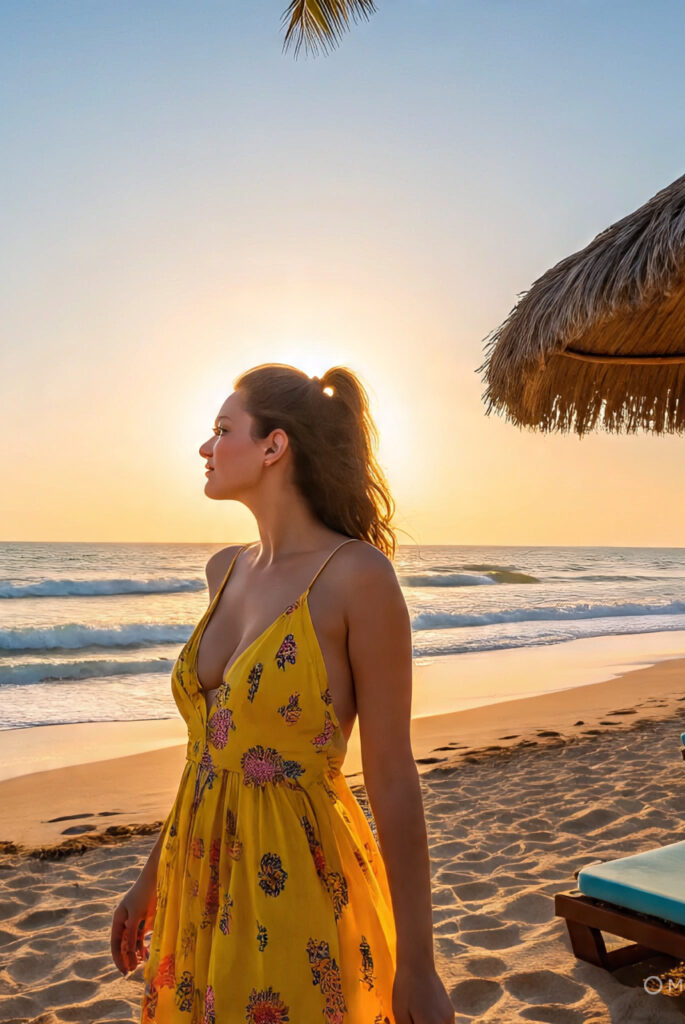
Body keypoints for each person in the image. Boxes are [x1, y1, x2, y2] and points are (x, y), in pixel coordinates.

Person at [111, 363, 454, 1024]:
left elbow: (392, 777)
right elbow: (206, 755)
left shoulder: (357, 577)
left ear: (274, 446)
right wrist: (149, 877)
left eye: (222, 430)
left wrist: (418, 965)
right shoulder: (225, 570)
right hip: (197, 879)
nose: (205, 449)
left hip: (294, 880)